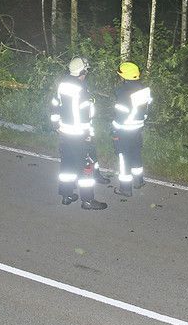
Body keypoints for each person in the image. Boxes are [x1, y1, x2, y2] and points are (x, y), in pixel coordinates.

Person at [50, 57, 108, 210]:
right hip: (78, 133)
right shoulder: (81, 89)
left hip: (64, 131)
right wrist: (87, 133)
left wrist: (55, 124)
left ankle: (66, 196)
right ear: (82, 71)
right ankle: (88, 201)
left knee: (67, 164)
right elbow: (85, 115)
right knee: (85, 167)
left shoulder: (62, 84)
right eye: (86, 70)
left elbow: (55, 104)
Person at [111, 61, 152, 197]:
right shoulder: (144, 90)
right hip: (138, 128)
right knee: (136, 154)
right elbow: (146, 110)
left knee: (124, 159)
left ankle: (125, 189)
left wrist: (114, 129)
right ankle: (139, 181)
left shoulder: (124, 93)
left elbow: (120, 116)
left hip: (124, 130)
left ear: (124, 77)